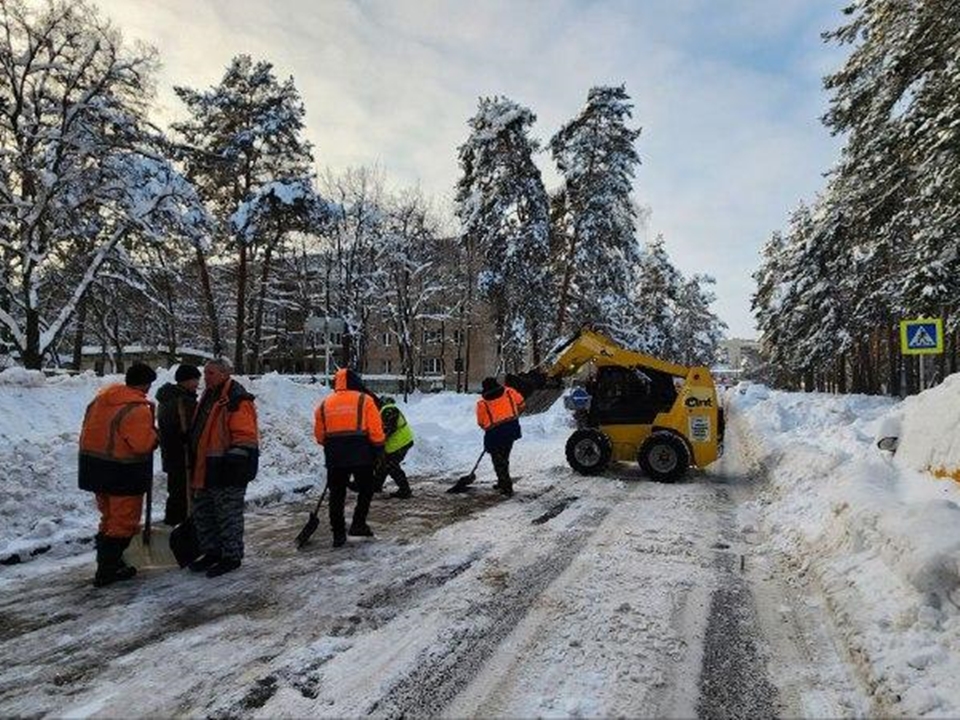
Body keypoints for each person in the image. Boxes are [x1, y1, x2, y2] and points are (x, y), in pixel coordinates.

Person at [78, 362, 159, 587]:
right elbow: (142, 444)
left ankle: (108, 563)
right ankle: (107, 570)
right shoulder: (136, 408)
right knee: (123, 523)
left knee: (108, 519)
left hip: (95, 469)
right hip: (122, 473)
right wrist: (156, 436)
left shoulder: (100, 401)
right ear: (146, 384)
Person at [188, 359, 259, 578]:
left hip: (227, 469)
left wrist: (234, 462)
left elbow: (245, 436)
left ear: (224, 373)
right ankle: (212, 552)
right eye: (204, 373)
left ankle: (231, 556)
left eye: (210, 373)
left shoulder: (236, 399)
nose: (205, 377)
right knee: (206, 514)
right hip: (206, 468)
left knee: (227, 516)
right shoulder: (209, 396)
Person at [314, 368, 385, 547]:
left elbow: (320, 436)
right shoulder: (365, 400)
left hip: (334, 455)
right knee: (366, 489)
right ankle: (358, 523)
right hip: (362, 453)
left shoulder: (324, 404)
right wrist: (378, 448)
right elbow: (376, 429)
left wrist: (334, 445)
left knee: (336, 494)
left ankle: (338, 533)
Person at [155, 364, 200, 526]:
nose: (197, 383)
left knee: (176, 494)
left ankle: (174, 528)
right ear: (185, 381)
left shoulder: (168, 398)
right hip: (182, 456)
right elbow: (190, 429)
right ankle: (179, 532)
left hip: (173, 455)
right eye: (194, 379)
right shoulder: (182, 401)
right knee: (182, 496)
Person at [476, 376, 525, 496]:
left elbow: (481, 422)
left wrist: (490, 426)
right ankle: (502, 481)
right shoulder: (509, 392)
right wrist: (513, 414)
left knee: (498, 460)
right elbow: (522, 403)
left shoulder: (482, 403)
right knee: (504, 457)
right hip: (511, 429)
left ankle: (506, 486)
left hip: (494, 434)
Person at [373, 396, 415, 499]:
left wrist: (378, 442)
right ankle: (376, 486)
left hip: (400, 443)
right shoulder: (386, 410)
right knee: (383, 464)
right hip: (397, 443)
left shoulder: (389, 409)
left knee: (391, 465)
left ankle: (405, 490)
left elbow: (387, 429)